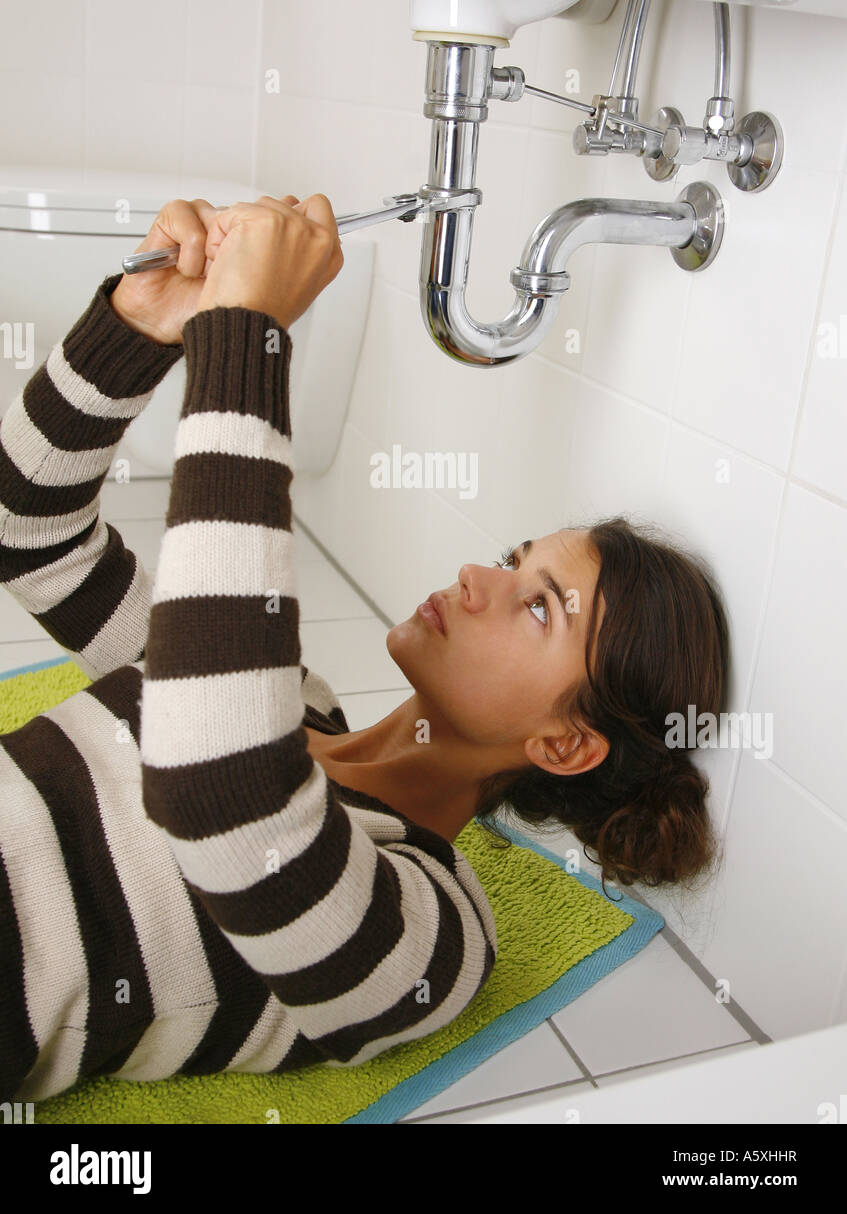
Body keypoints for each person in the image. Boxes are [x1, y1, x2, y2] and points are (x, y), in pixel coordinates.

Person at [0, 193, 729, 1105]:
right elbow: (33, 535)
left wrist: (246, 338)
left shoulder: (437, 936)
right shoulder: (283, 695)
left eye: (540, 608)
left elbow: (220, 798)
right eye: (513, 559)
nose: (477, 576)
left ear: (565, 743)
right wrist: (137, 329)